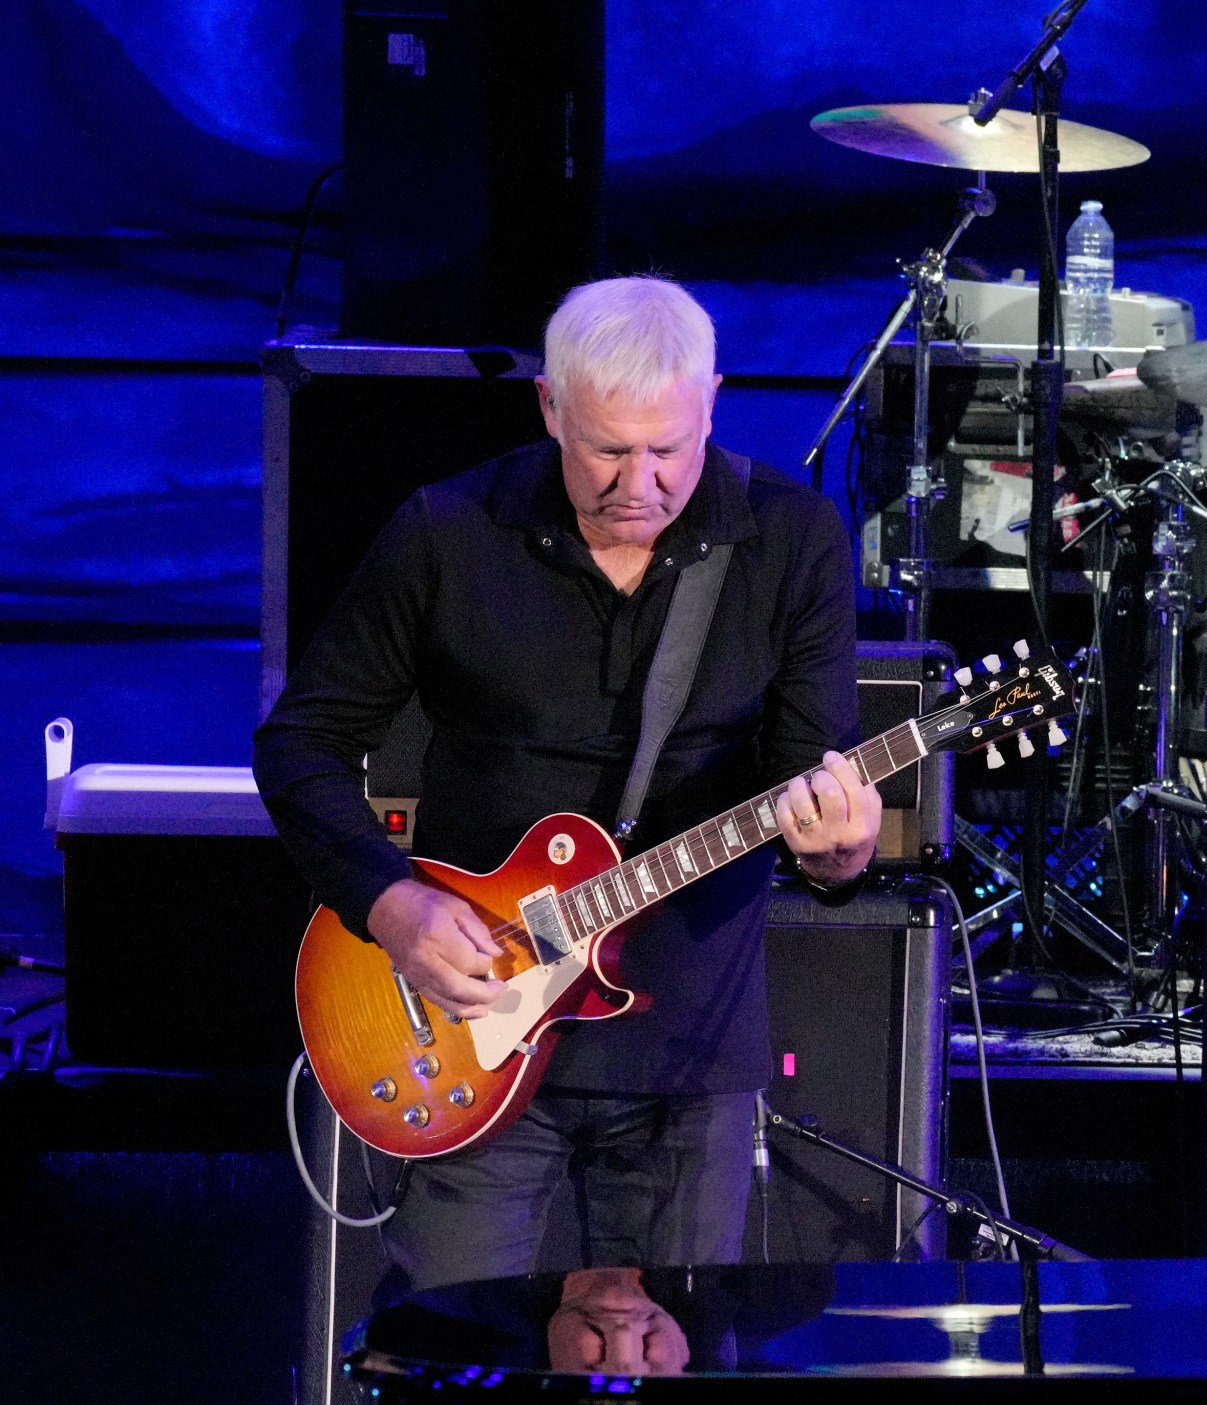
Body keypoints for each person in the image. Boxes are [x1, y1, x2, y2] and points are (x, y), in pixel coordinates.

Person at [254, 276, 880, 1295]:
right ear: (550, 406)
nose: (637, 483)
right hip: (473, 1031)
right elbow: (300, 743)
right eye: (605, 448)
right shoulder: (448, 532)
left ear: (712, 401)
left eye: (667, 449)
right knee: (453, 1366)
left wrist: (841, 849)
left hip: (687, 1049)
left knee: (672, 1365)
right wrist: (390, 902)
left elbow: (813, 791)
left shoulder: (791, 538)